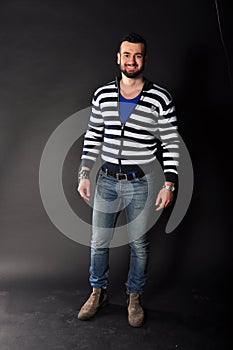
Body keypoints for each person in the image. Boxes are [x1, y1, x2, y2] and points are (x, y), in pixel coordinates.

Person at [77, 32, 179, 327]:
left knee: (139, 244)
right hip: (107, 181)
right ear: (118, 57)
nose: (131, 61)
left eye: (137, 55)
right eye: (126, 55)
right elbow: (93, 136)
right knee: (98, 241)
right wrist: (84, 173)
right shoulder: (103, 94)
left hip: (142, 183)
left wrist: (169, 183)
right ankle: (98, 293)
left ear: (144, 59)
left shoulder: (161, 98)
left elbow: (171, 144)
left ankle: (134, 297)